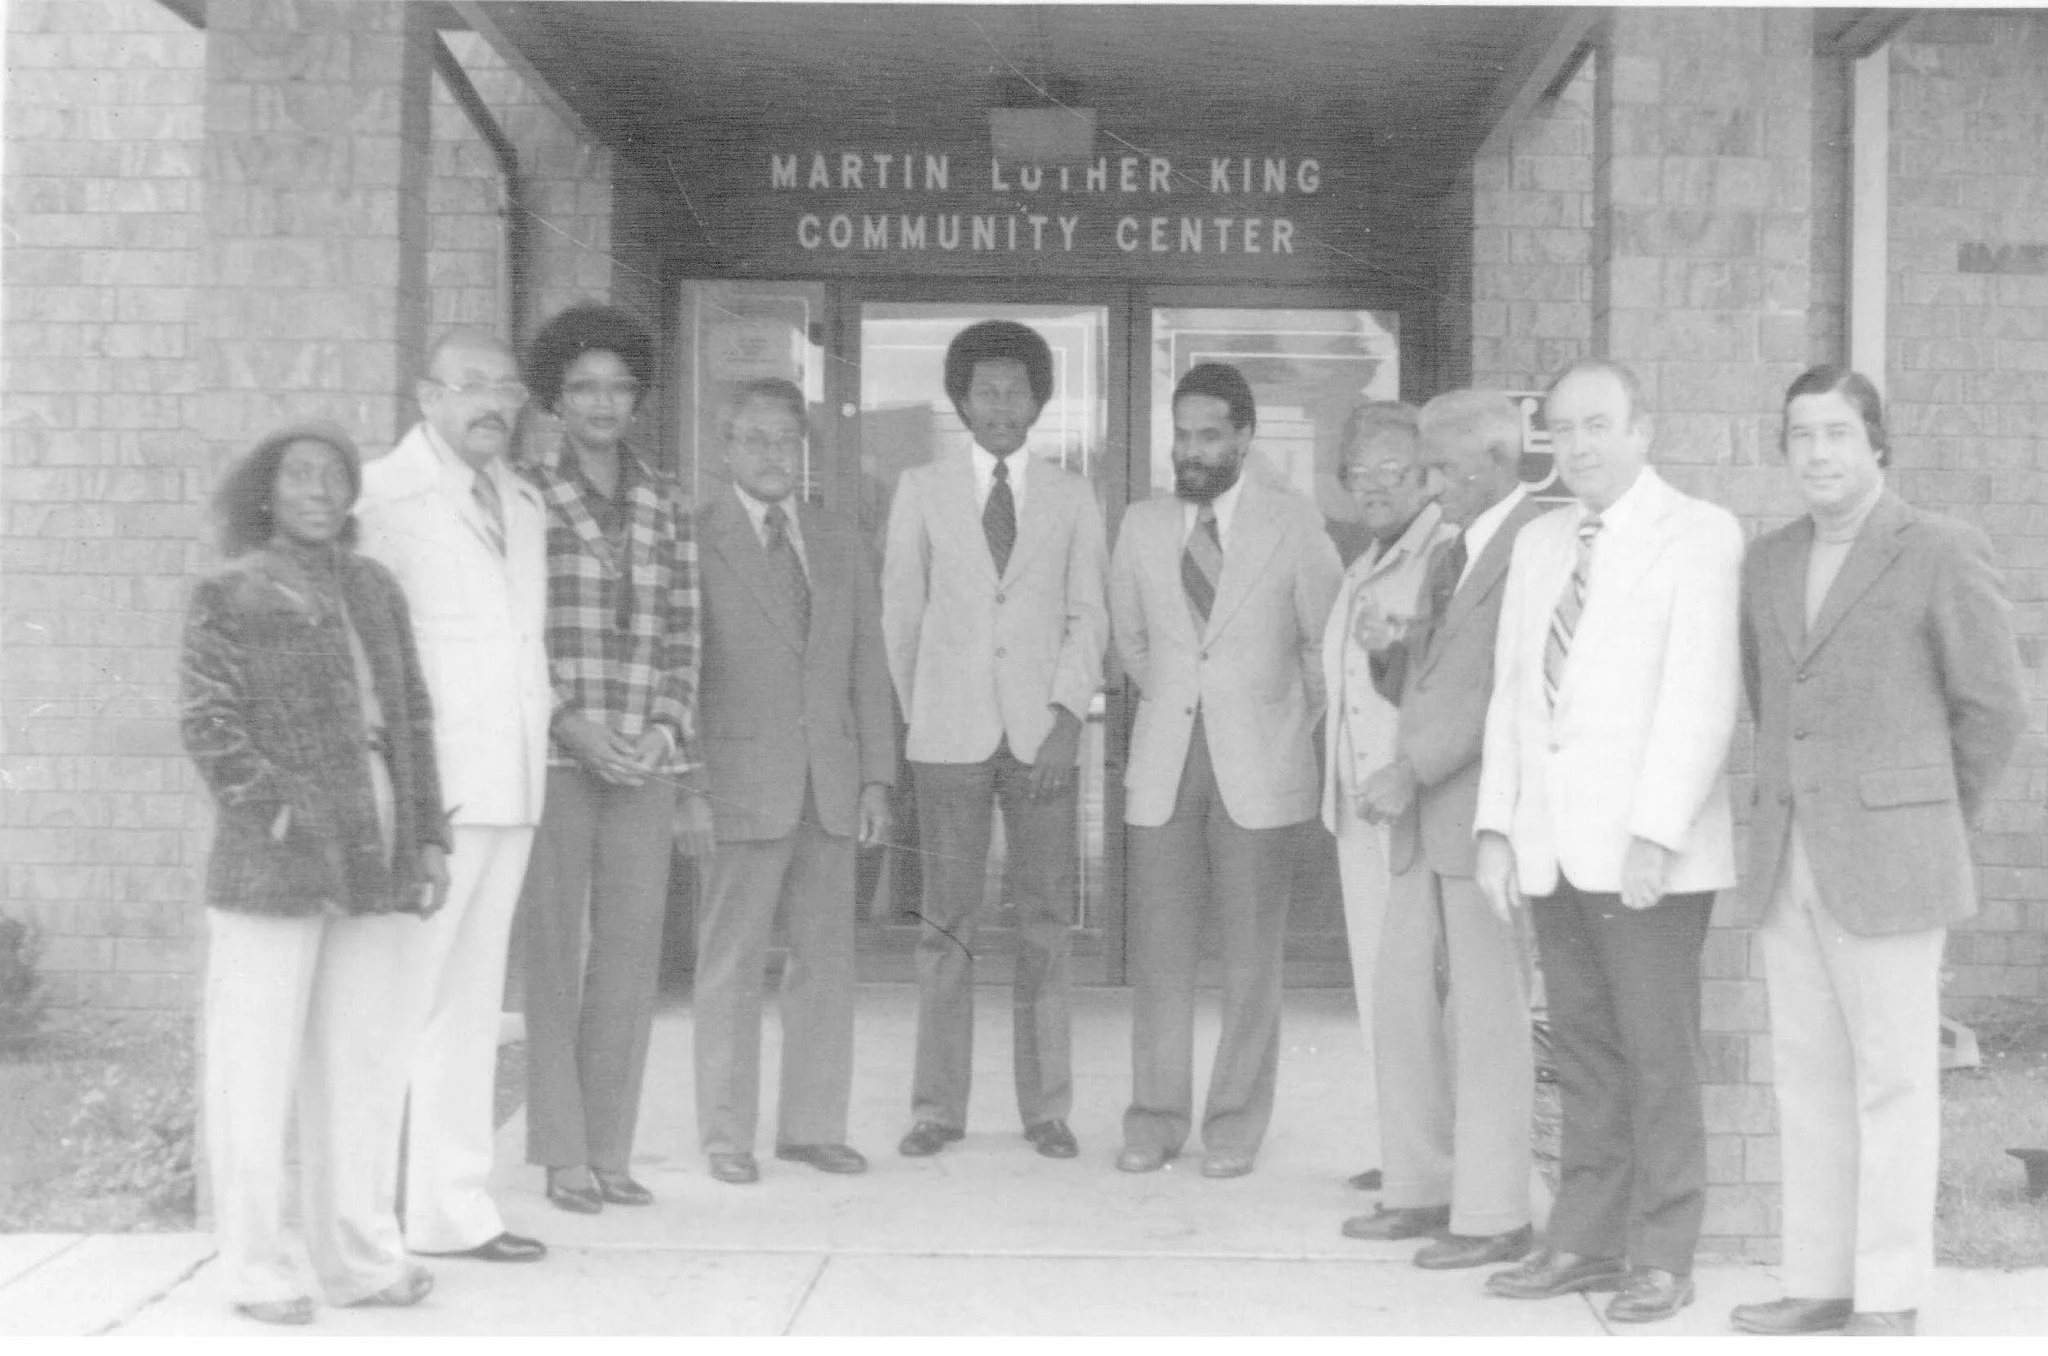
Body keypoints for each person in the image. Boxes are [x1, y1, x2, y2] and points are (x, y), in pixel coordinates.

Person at [1728, 368, 2025, 1338]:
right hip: (1788, 856)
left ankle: (1888, 1294)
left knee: (1894, 1080)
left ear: (1875, 445)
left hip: (1891, 859)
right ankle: (1816, 1280)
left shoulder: (1938, 549)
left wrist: (1927, 815)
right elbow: (1768, 703)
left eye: (1836, 435)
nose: (1816, 454)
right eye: (1799, 436)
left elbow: (1990, 708)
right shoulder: (1766, 561)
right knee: (1805, 1077)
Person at [1474, 359, 1742, 1323]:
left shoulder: (1699, 535)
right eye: (1560, 430)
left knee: (1657, 1053)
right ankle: (1584, 1238)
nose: (1577, 446)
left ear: (1643, 430)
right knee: (1583, 1048)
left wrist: (1654, 835)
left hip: (1647, 858)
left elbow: (1703, 697)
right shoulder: (1543, 541)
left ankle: (1663, 1253)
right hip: (1550, 848)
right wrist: (1499, 828)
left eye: (1596, 426)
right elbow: (1513, 695)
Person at [181, 420, 446, 1323]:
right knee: (253, 1073)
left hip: (375, 854)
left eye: (335, 476)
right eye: (300, 476)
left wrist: (429, 836)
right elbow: (209, 727)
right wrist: (283, 814)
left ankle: (362, 1262)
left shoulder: (375, 586)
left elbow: (412, 717)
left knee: (361, 1066)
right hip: (273, 867)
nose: (321, 491)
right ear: (266, 490)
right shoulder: (231, 591)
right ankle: (256, 1270)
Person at [881, 319, 1109, 1161]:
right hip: (948, 741)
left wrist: (1063, 719)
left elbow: (1089, 613)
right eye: (986, 392)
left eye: (1017, 392)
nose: (1002, 406)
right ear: (962, 401)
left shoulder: (1071, 494)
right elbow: (900, 616)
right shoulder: (922, 488)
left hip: (1042, 736)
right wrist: (925, 718)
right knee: (947, 924)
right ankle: (937, 1108)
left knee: (1045, 921)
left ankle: (1046, 1107)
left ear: (1039, 403)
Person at [1110, 361, 1343, 1179]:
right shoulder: (1141, 526)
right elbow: (1131, 644)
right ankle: (1155, 1121)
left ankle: (1236, 1127)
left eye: (1210, 434)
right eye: (1182, 434)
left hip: (1262, 766)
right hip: (1166, 763)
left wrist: (1279, 721)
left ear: (1244, 438)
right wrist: (1188, 699)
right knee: (1160, 959)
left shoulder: (1294, 523)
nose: (1193, 450)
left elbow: (1325, 648)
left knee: (1252, 961)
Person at [1340, 389, 1553, 1267]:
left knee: (1488, 1017)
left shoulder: (1530, 545)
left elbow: (1503, 691)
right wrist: (1391, 650)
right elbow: (1430, 680)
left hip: (1477, 816)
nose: (1427, 486)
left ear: (1497, 463)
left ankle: (1494, 1212)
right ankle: (1421, 1187)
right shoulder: (1456, 550)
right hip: (1427, 821)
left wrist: (1406, 768)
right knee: (1403, 1003)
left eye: (1440, 469)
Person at [356, 330, 553, 1263]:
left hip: (511, 782)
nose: (494, 405)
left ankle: (451, 1210)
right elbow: (373, 658)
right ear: (427, 393)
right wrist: (398, 790)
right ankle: (357, 1218)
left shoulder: (521, 498)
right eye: (473, 387)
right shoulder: (383, 498)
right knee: (395, 1002)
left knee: (469, 1007)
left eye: (507, 390)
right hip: (432, 794)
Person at [681, 379, 897, 1185]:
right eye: (757, 440)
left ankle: (812, 1127)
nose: (775, 456)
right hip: (740, 780)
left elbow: (866, 664)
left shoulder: (838, 539)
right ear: (726, 449)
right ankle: (727, 1136)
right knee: (731, 964)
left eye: (787, 441)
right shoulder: (697, 539)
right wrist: (691, 783)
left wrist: (878, 776)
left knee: (826, 961)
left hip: (832, 782)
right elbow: (685, 671)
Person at [513, 304, 701, 1211]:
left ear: (638, 397)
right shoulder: (522, 496)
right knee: (553, 953)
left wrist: (663, 730)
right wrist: (569, 725)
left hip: (644, 760)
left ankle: (612, 1148)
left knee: (631, 956)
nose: (601, 402)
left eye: (618, 387)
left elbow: (683, 632)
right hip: (559, 758)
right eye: (583, 387)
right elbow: (513, 636)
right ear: (555, 398)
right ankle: (561, 1151)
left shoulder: (666, 499)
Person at [1317, 400, 1454, 1193]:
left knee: (1421, 988)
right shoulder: (1364, 560)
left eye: (1391, 471)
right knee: (1382, 983)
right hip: (1358, 808)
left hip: (1410, 804)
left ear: (1426, 475)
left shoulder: (1439, 555)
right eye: (1358, 472)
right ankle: (1404, 1147)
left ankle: (1433, 1159)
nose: (1372, 485)